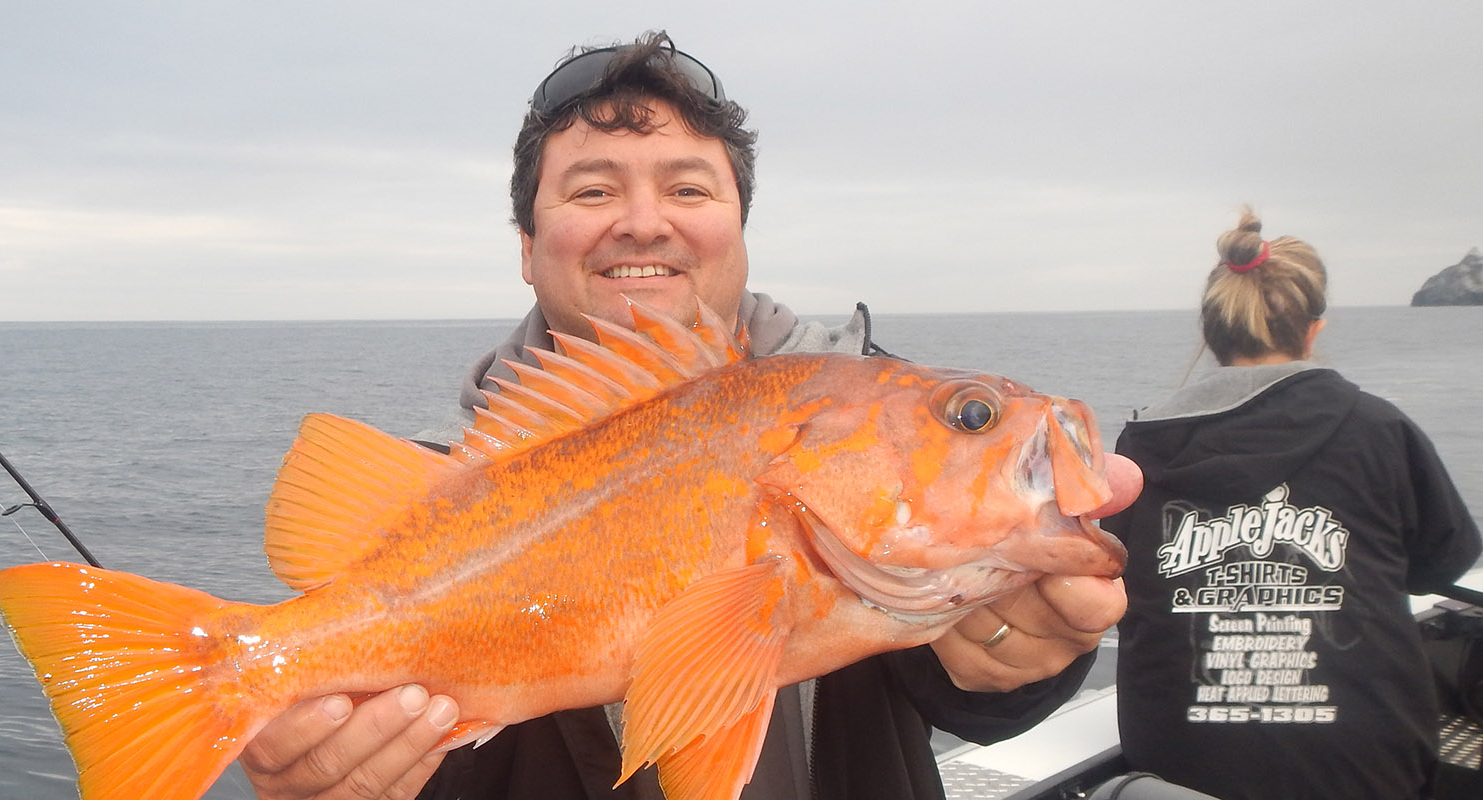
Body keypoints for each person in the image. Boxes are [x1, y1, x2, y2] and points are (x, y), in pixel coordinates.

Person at [238, 32, 1139, 800]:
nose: (642, 221)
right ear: (526, 247)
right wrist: (323, 765)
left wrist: (1020, 659)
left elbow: (956, 690)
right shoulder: (447, 493)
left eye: (690, 189)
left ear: (738, 227)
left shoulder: (864, 405)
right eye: (592, 191)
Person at [1100, 210, 1482, 799]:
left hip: (1180, 769)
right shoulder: (1379, 429)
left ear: (1210, 333)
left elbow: (1110, 586)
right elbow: (1440, 562)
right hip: (1369, 768)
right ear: (1313, 331)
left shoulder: (1139, 448)